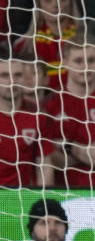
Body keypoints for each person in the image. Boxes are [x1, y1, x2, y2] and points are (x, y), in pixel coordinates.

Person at [41, 34, 95, 188]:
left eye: (91, 60)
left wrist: (68, 146)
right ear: (65, 63)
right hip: (61, 192)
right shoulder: (50, 105)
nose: (86, 67)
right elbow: (50, 158)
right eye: (78, 61)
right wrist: (89, 152)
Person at [0, 50, 59, 187]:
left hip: (23, 198)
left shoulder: (38, 115)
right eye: (4, 75)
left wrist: (43, 202)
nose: (12, 82)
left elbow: (44, 166)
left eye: (18, 75)